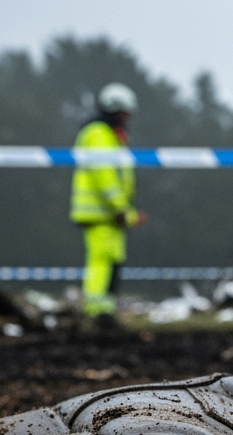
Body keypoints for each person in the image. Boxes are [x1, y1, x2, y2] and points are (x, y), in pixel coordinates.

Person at [70, 83, 145, 325]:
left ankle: (105, 311)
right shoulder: (99, 134)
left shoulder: (110, 135)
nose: (127, 119)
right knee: (101, 261)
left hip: (110, 215)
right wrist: (121, 209)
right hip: (101, 213)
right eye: (124, 114)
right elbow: (105, 177)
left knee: (112, 261)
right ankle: (96, 311)